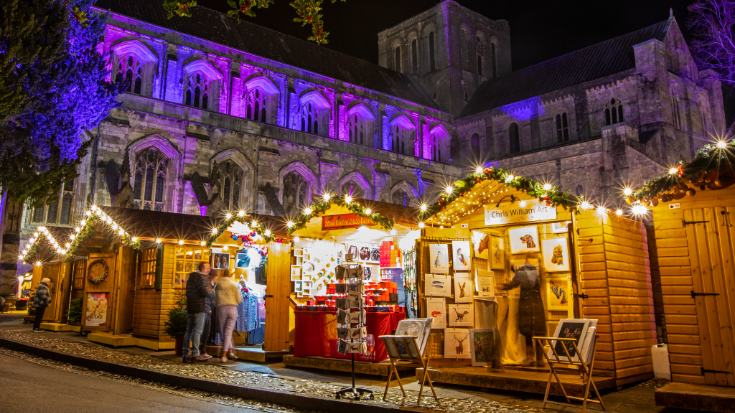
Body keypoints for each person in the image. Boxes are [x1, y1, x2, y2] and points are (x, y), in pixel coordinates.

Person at [502, 255, 546, 366]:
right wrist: (502, 287)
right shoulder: (521, 272)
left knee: (539, 331)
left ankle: (540, 359)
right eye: (531, 258)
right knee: (527, 332)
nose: (533, 261)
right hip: (526, 304)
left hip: (536, 304)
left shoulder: (540, 271)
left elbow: (541, 283)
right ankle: (530, 358)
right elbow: (513, 284)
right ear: (527, 260)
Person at [182, 262, 212, 363]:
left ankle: (185, 354)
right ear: (203, 269)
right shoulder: (202, 278)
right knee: (197, 331)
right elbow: (204, 292)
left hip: (190, 306)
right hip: (200, 307)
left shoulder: (190, 278)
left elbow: (187, 292)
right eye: (208, 268)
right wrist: (211, 292)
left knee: (188, 331)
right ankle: (195, 355)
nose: (209, 270)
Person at [215, 268, 242, 363]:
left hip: (222, 308)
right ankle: (227, 354)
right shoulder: (233, 284)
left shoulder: (218, 284)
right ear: (230, 274)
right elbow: (239, 299)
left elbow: (216, 297)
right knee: (228, 332)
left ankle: (226, 354)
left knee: (225, 332)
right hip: (232, 308)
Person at [199, 270, 220, 359]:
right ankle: (200, 350)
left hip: (210, 309)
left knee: (207, 330)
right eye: (215, 276)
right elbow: (206, 296)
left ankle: (203, 350)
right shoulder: (207, 284)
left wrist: (212, 306)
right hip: (205, 308)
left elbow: (214, 297)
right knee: (202, 330)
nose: (216, 278)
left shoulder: (214, 285)